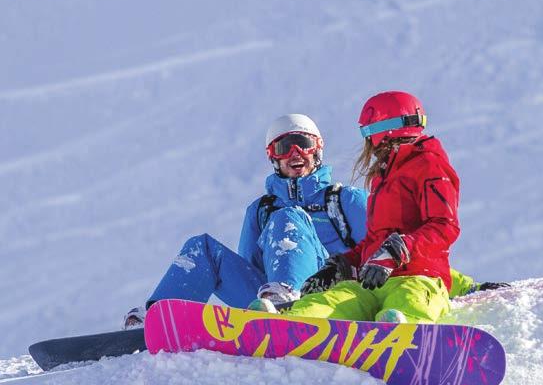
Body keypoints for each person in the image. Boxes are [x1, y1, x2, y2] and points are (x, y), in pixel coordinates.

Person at [266, 90, 505, 324]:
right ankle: (291, 322)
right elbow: (374, 240)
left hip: (419, 277)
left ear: (383, 131)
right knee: (336, 300)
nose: (367, 141)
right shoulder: (383, 178)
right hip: (374, 281)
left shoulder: (430, 166)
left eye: (367, 132)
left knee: (410, 301)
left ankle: (399, 332)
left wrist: (399, 250)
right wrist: (342, 265)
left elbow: (444, 226)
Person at [123, 114, 367, 327]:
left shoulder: (344, 200)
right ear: (274, 158)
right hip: (268, 302)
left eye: (303, 144)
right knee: (202, 247)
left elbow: (380, 252)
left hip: (331, 298)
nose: (296, 153)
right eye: (284, 147)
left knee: (288, 216)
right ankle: (161, 317)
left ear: (317, 150)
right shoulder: (261, 210)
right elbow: (251, 267)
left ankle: (288, 300)